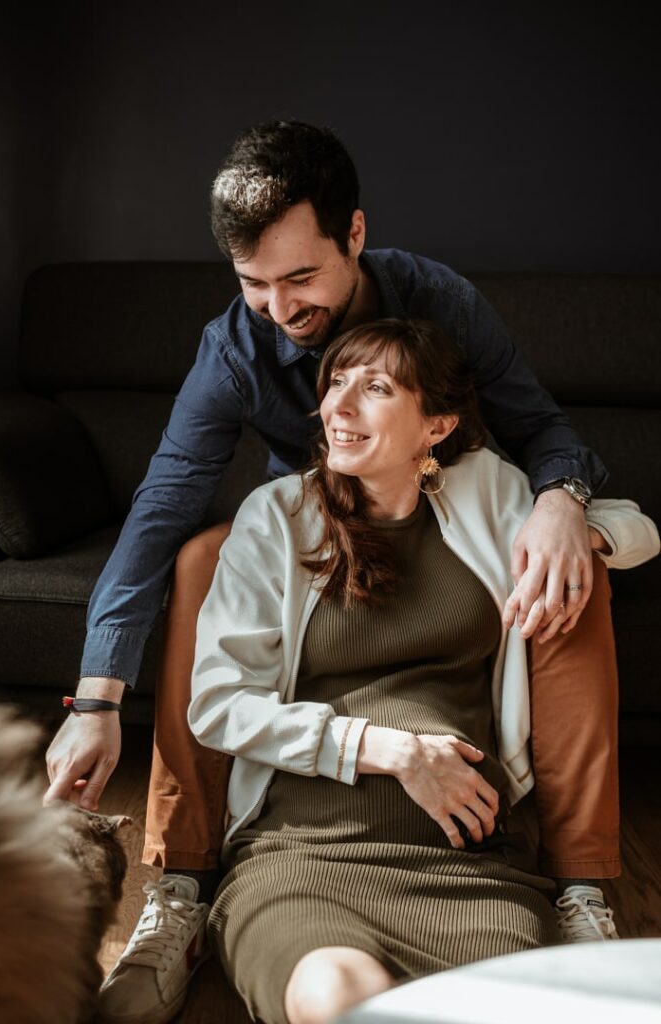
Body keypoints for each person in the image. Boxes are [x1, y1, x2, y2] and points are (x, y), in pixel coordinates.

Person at [42, 121, 631, 1023]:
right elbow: (161, 507)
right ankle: (187, 887)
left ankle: (582, 890)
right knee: (201, 554)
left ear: (354, 235)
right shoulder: (237, 347)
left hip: (456, 511)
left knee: (567, 562)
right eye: (252, 284)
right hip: (312, 524)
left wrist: (562, 505)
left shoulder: (444, 305)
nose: (276, 308)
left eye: (301, 278)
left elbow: (549, 433)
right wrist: (94, 700)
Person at [186, 319, 659, 1024]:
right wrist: (392, 751)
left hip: (470, 863)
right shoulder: (277, 516)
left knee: (506, 1011)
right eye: (336, 382)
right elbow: (219, 704)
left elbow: (639, 532)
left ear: (436, 425)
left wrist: (571, 525)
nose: (339, 407)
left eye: (374, 387)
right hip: (307, 852)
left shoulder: (490, 494)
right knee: (341, 1000)